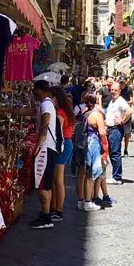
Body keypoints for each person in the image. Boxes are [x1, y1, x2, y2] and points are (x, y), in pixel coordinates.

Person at [29, 76, 61, 229]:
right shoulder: (45, 104)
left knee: (42, 185)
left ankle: (46, 218)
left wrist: (38, 145)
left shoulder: (46, 105)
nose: (33, 93)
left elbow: (45, 122)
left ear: (39, 90)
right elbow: (29, 112)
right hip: (49, 148)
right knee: (45, 184)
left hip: (45, 149)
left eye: (34, 90)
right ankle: (45, 214)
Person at [51, 85, 75, 221]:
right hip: (66, 143)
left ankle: (58, 210)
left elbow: (57, 131)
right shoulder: (65, 110)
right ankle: (55, 208)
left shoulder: (60, 112)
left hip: (63, 144)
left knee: (58, 180)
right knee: (57, 180)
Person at [104, 83, 132, 185]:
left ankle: (117, 177)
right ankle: (115, 175)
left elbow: (129, 111)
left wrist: (122, 120)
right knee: (112, 152)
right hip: (110, 128)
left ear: (119, 91)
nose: (113, 92)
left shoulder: (120, 101)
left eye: (115, 90)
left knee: (115, 153)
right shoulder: (113, 101)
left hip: (116, 129)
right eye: (111, 90)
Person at [92, 89, 115, 208]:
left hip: (102, 147)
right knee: (100, 174)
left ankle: (105, 195)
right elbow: (102, 132)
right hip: (101, 147)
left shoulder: (93, 111)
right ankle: (95, 196)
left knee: (102, 174)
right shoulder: (97, 113)